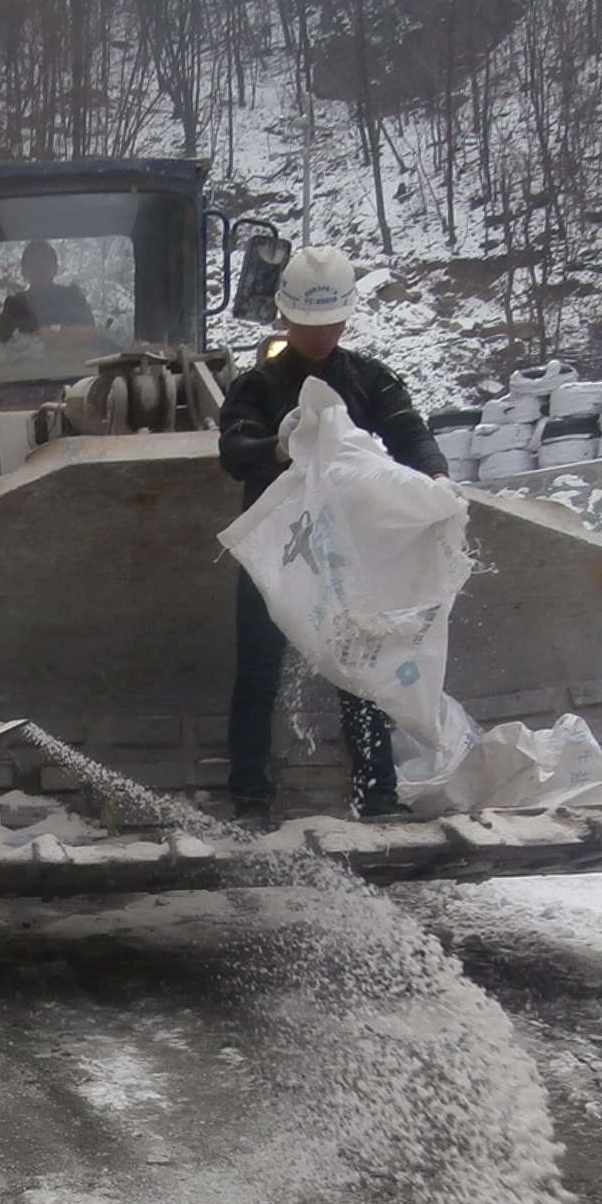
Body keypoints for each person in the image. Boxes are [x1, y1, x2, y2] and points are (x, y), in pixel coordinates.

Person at [216, 244, 447, 823]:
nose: (319, 335)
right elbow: (233, 451)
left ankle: (377, 791)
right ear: (286, 318)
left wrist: (439, 479)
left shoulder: (370, 381)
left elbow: (408, 434)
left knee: (361, 667)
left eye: (330, 324)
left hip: (348, 555)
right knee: (258, 671)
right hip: (280, 551)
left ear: (345, 318)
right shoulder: (259, 387)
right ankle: (249, 793)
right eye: (307, 324)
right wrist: (276, 446)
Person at [0, 240, 94, 343]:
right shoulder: (15, 305)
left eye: (44, 261)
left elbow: (89, 332)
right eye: (33, 262)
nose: (39, 268)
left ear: (55, 268)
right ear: (24, 270)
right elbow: (1, 339)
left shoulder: (72, 298)